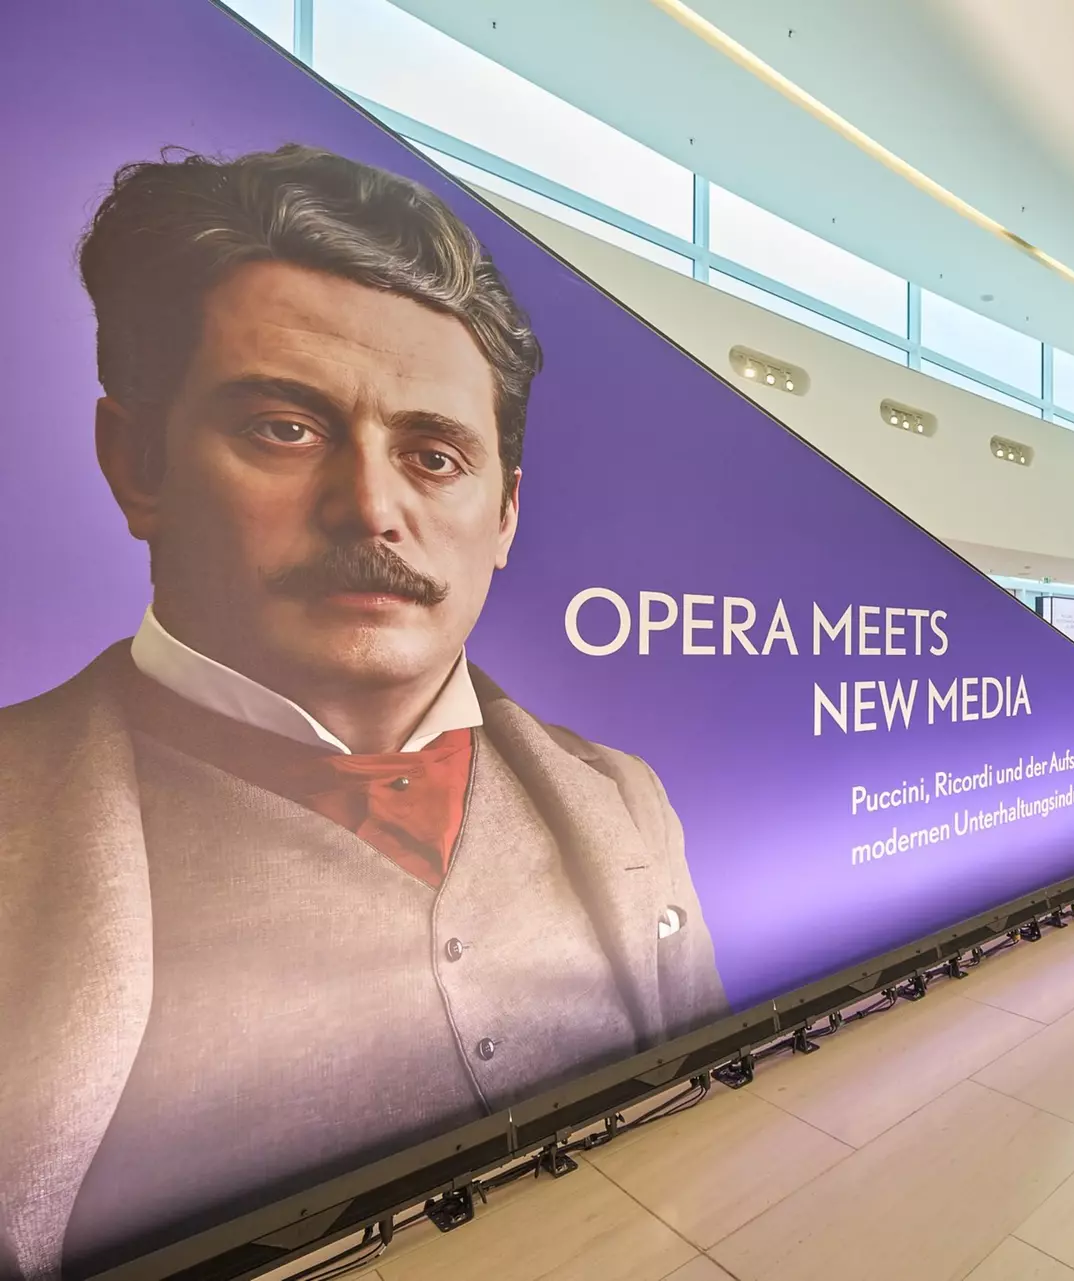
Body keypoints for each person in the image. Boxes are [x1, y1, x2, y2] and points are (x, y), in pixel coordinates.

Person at [0, 145, 730, 1280]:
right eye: (284, 429)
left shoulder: (623, 800)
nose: (373, 508)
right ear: (135, 463)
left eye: (434, 455)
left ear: (504, 516)